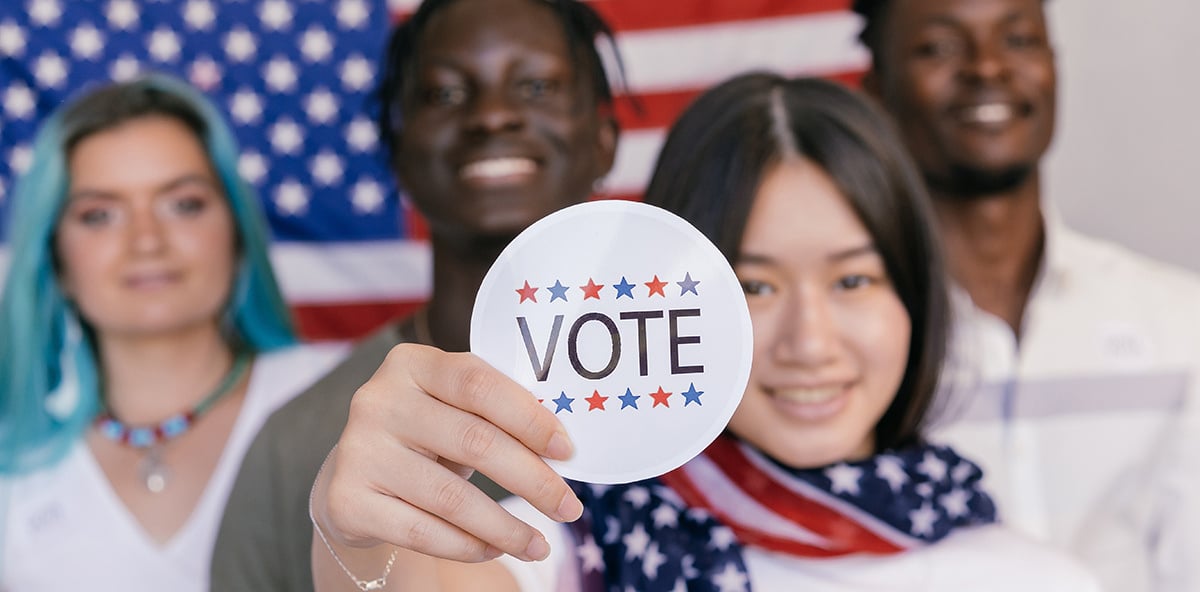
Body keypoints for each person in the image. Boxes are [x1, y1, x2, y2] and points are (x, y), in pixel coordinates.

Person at [306, 73, 1101, 591]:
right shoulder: (552, 546)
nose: (810, 341)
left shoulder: (1034, 578)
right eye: (753, 284)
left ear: (916, 299)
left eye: (854, 278)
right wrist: (355, 535)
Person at [209, 0, 620, 589]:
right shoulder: (296, 444)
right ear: (395, 153)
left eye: (536, 85)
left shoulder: (705, 401)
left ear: (605, 140)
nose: (493, 115)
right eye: (447, 94)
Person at [853, 0, 1200, 589]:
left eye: (1017, 39)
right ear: (876, 90)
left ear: (1054, 67)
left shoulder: (1180, 320)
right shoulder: (844, 342)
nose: (987, 68)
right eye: (938, 46)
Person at [0, 74, 346, 591]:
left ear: (236, 232)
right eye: (100, 215)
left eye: (183, 204)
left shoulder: (347, 396)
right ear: (57, 261)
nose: (146, 240)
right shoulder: (15, 472)